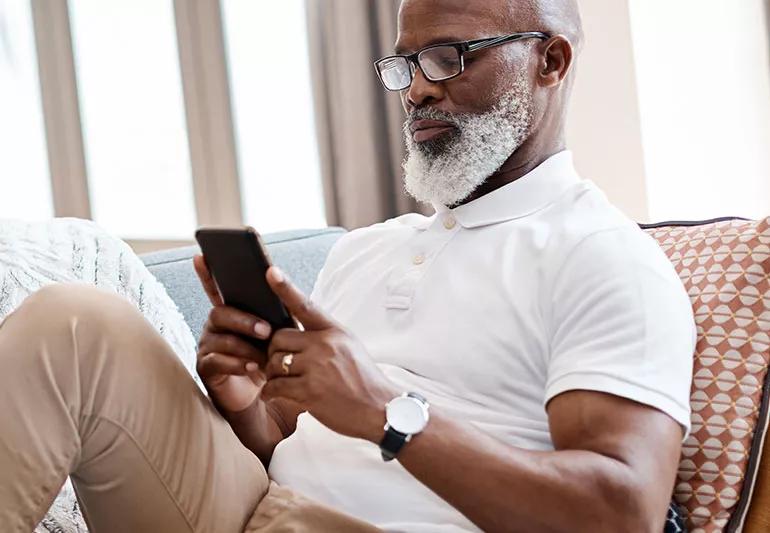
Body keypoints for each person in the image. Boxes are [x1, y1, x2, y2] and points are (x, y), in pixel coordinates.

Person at [0, 0, 695, 531]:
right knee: (75, 322)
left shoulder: (604, 257)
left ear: (552, 61)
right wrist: (245, 401)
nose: (417, 90)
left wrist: (387, 413)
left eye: (449, 56)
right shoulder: (367, 248)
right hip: (260, 508)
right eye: (404, 65)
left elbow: (622, 507)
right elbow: (284, 445)